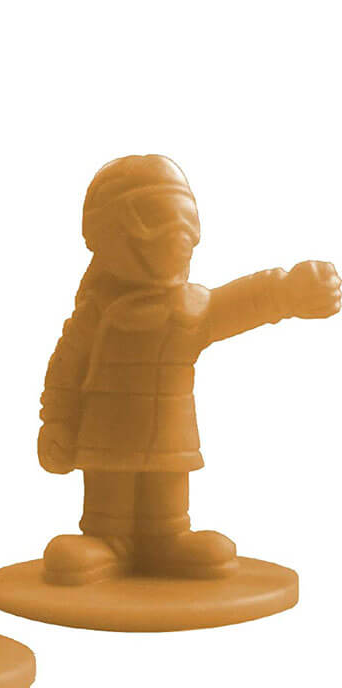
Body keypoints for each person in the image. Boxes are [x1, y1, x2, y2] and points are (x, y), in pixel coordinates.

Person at [38, 154, 340, 583]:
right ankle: (107, 540)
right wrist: (57, 422)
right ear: (109, 234)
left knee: (167, 497)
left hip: (170, 439)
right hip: (106, 438)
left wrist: (289, 291)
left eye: (185, 225)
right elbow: (65, 372)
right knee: (109, 499)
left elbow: (244, 301)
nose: (176, 241)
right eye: (157, 223)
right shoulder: (96, 315)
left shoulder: (191, 308)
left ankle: (167, 537)